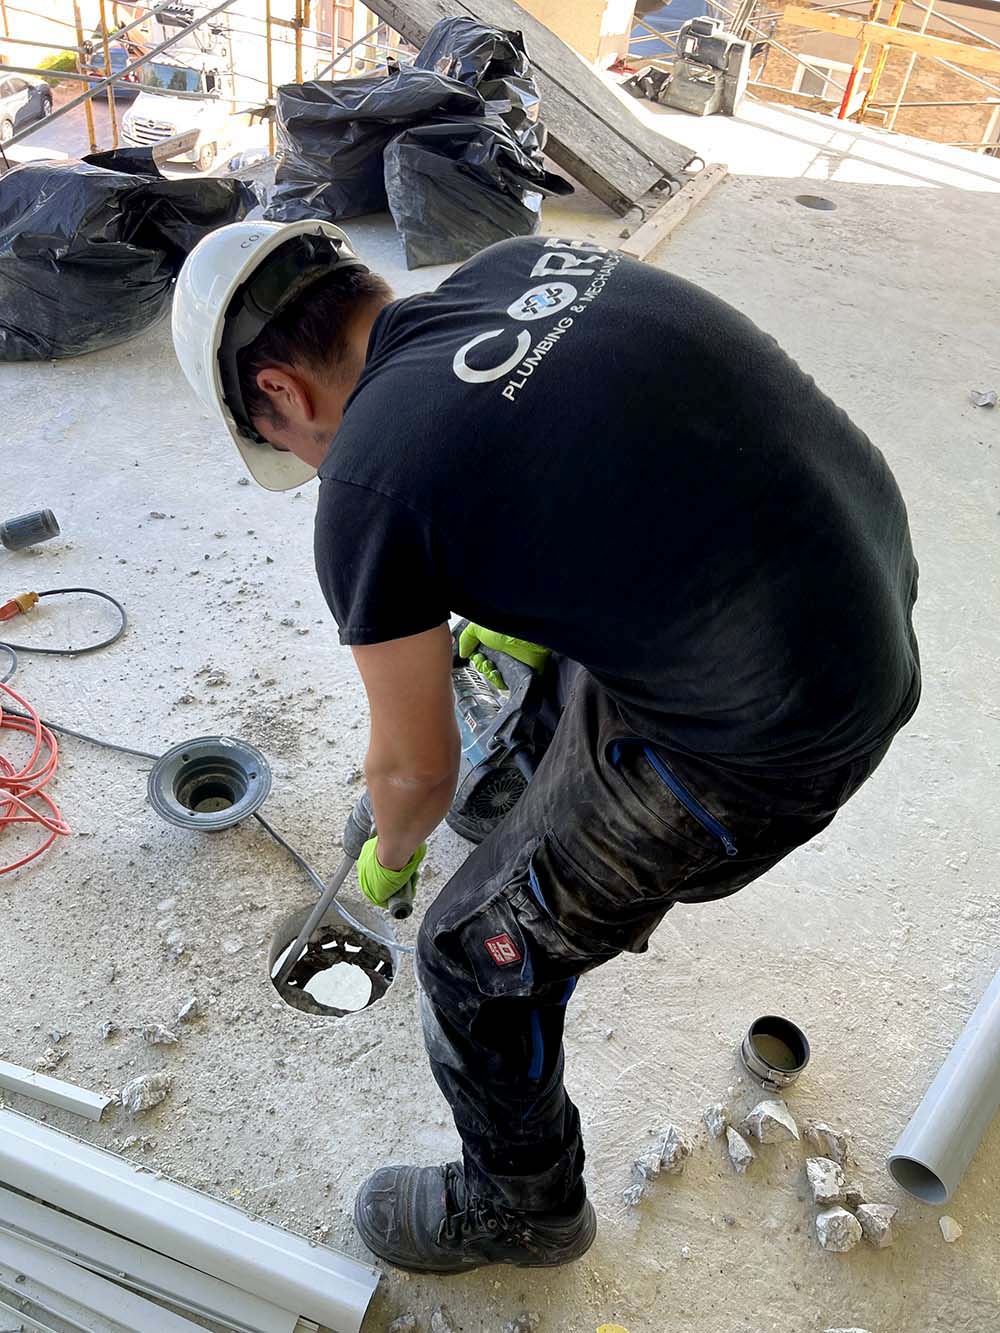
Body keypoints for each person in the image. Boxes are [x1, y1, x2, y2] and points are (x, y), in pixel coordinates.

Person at [172, 219, 920, 1275]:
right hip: (860, 593)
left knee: (470, 959)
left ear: (282, 392)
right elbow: (592, 470)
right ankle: (537, 805)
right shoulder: (521, 268)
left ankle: (522, 1210)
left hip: (764, 735)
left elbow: (413, 770)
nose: (307, 461)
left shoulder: (372, 484)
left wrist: (391, 852)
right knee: (502, 692)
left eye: (285, 443)